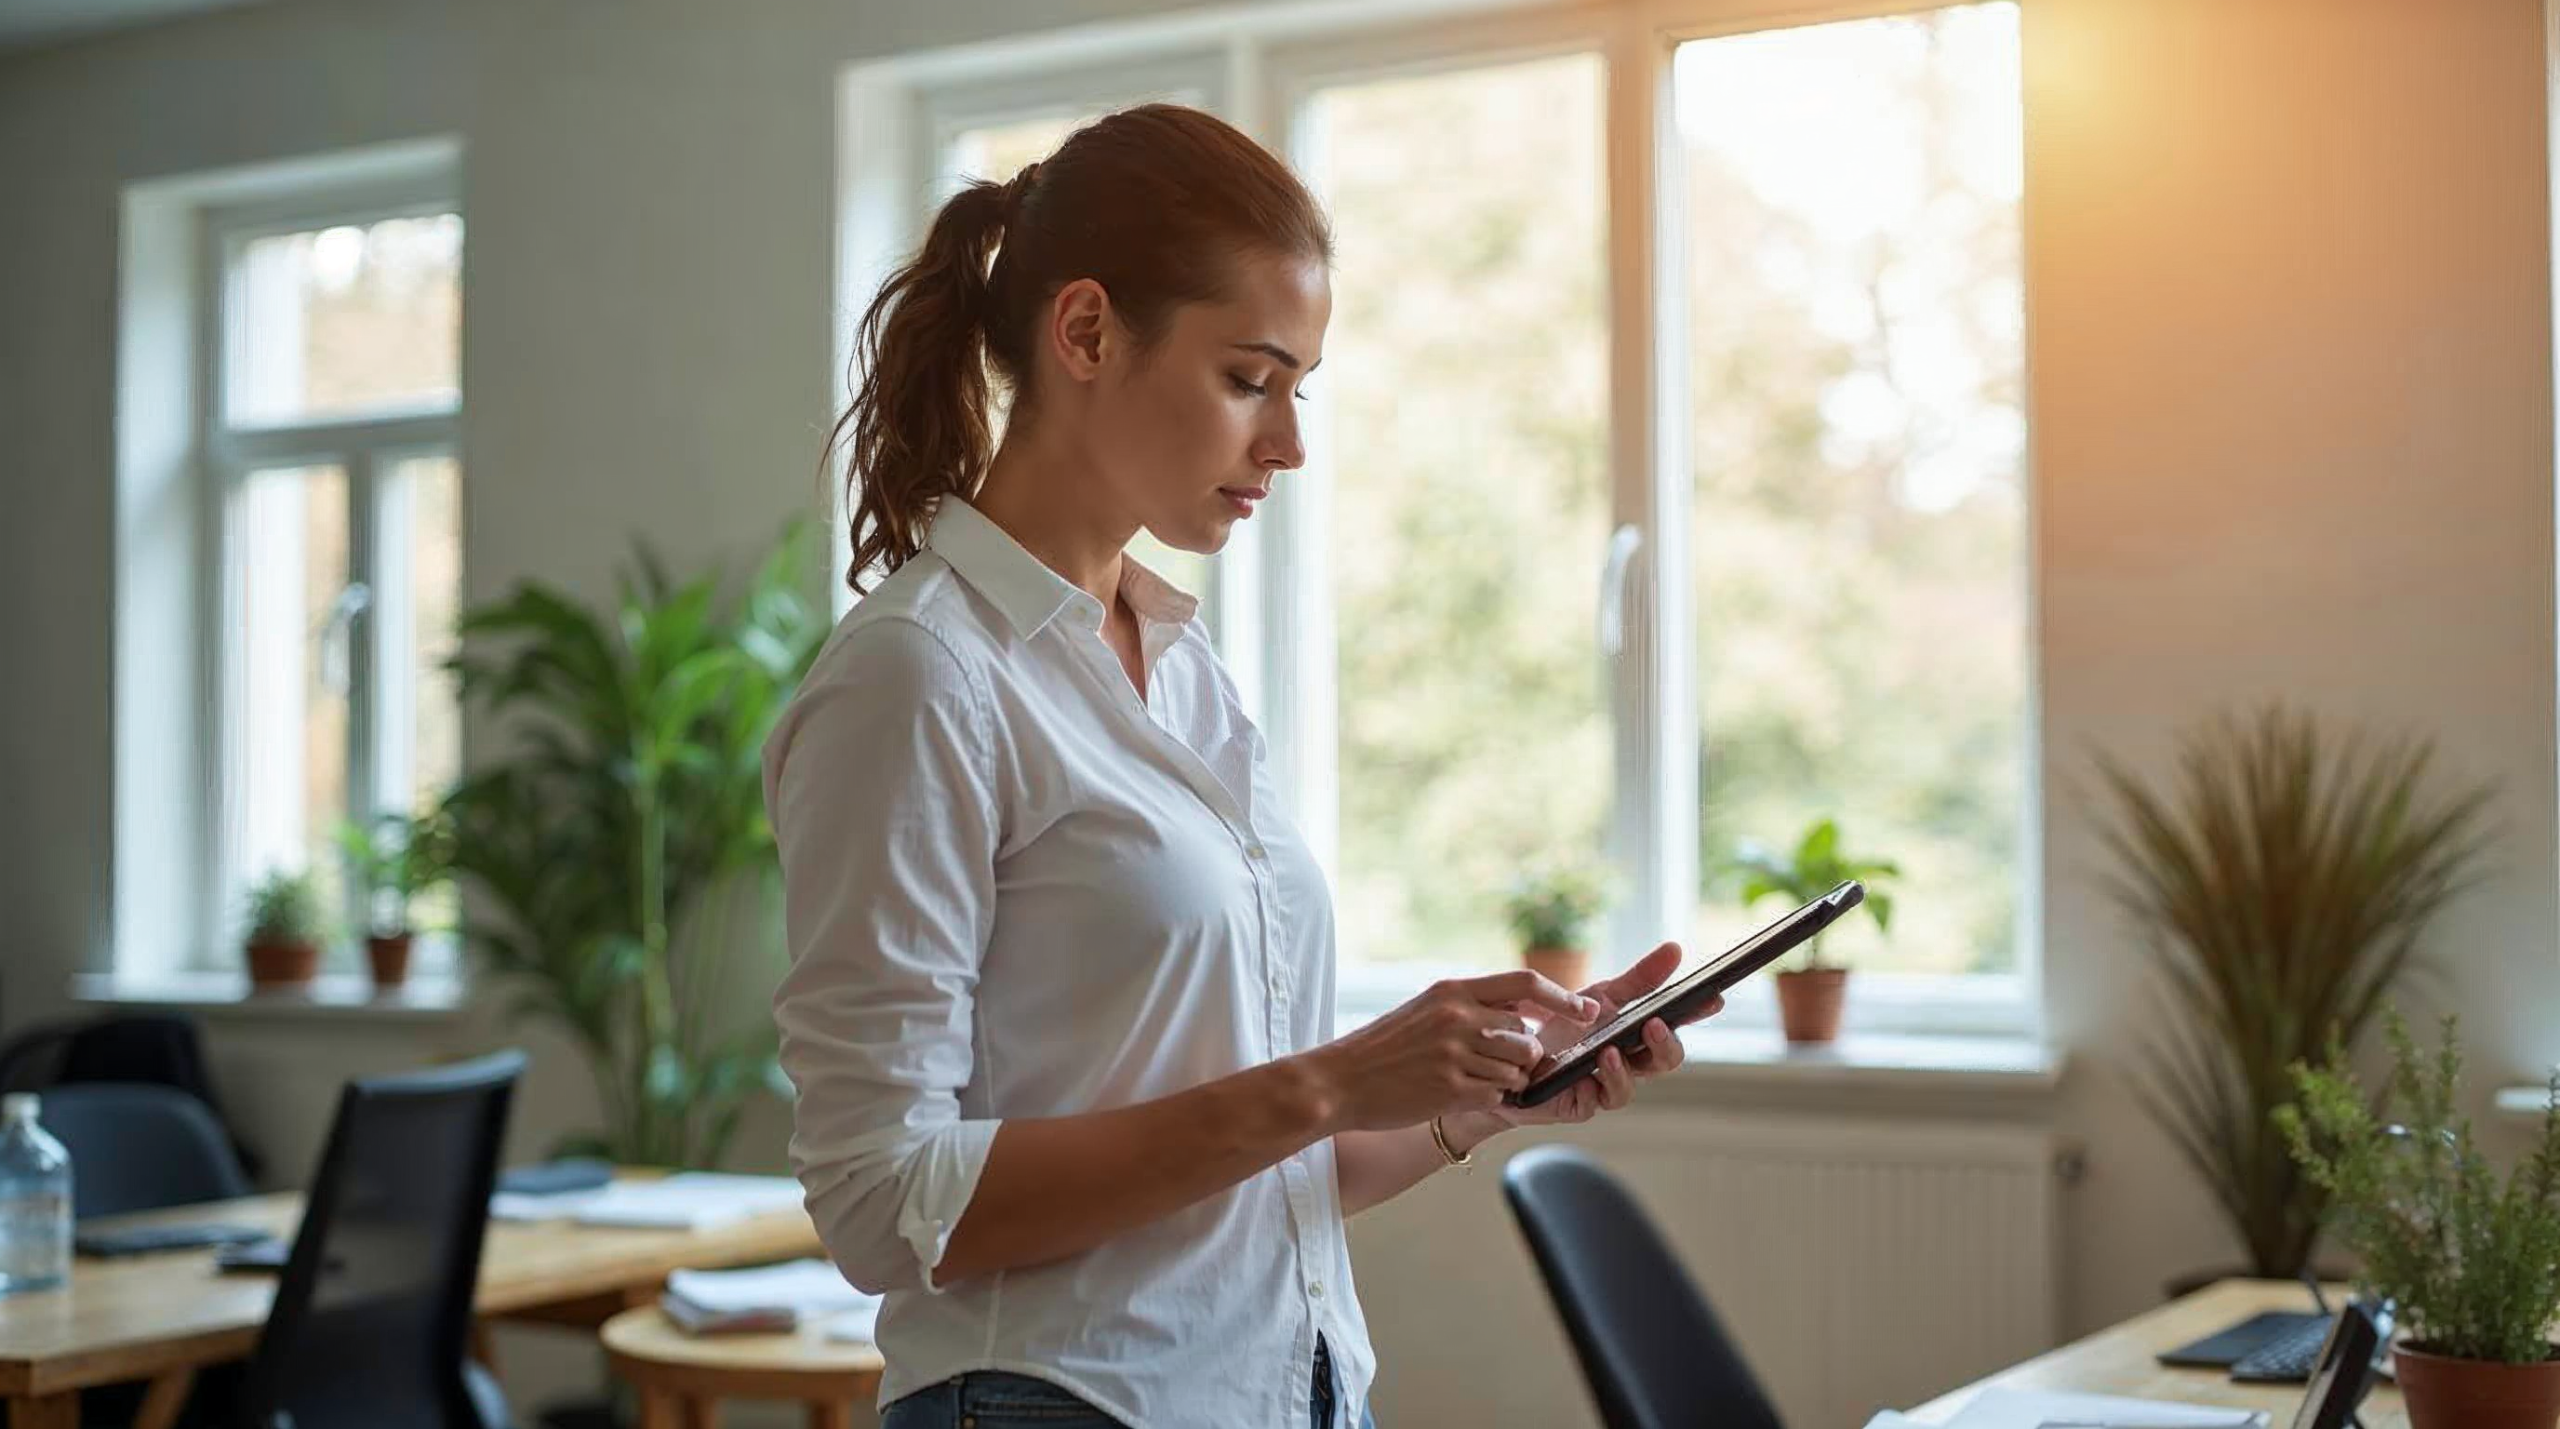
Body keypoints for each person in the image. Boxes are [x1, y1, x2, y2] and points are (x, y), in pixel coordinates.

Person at [765, 102, 1722, 1429]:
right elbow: (881, 1201)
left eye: (1298, 389)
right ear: (1086, 332)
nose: (1289, 444)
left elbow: (1261, 1173)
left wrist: (1478, 1099)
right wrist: (1334, 1078)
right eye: (1248, 379)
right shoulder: (919, 679)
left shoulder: (1181, 665)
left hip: (1291, 1392)